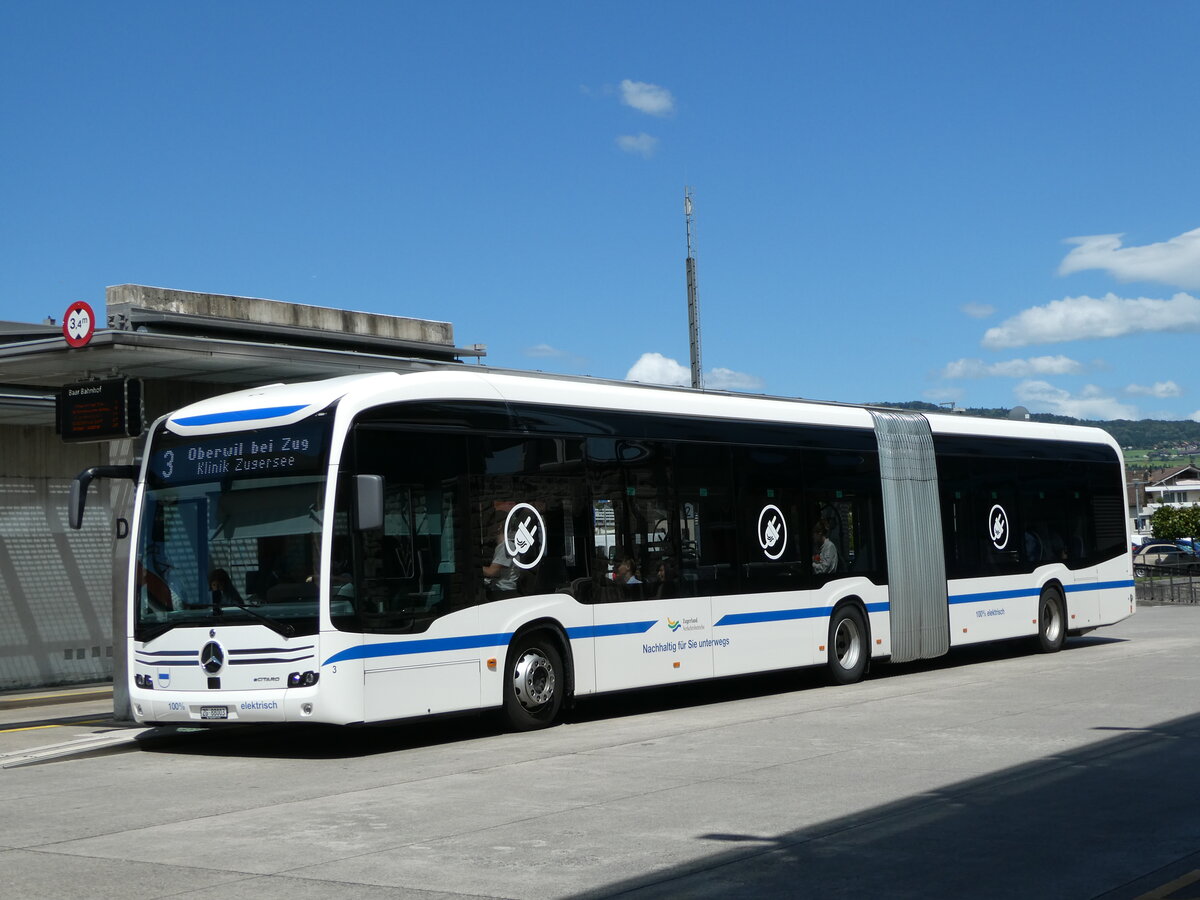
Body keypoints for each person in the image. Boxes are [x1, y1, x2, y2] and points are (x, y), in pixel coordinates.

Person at [483, 527, 520, 595]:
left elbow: (492, 572)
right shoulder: (501, 546)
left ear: (499, 527)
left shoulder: (507, 546)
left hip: (504, 591)